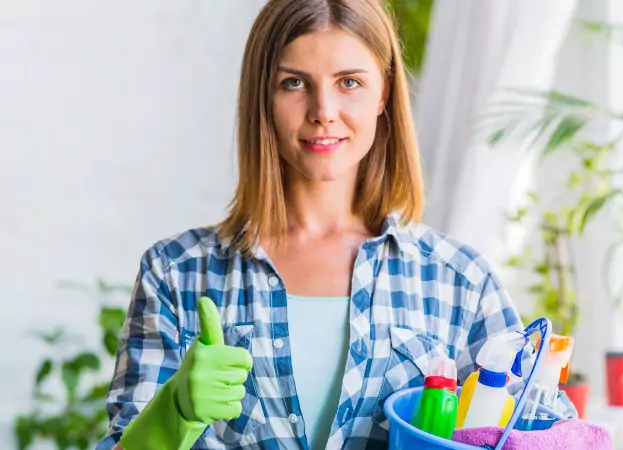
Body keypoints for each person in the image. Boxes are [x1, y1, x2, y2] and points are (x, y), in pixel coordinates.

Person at [97, 0, 572, 448]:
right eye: (294, 83)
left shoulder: (460, 280)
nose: (324, 111)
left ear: (383, 93)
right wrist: (174, 412)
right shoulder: (177, 273)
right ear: (263, 95)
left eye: (349, 82)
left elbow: (542, 429)